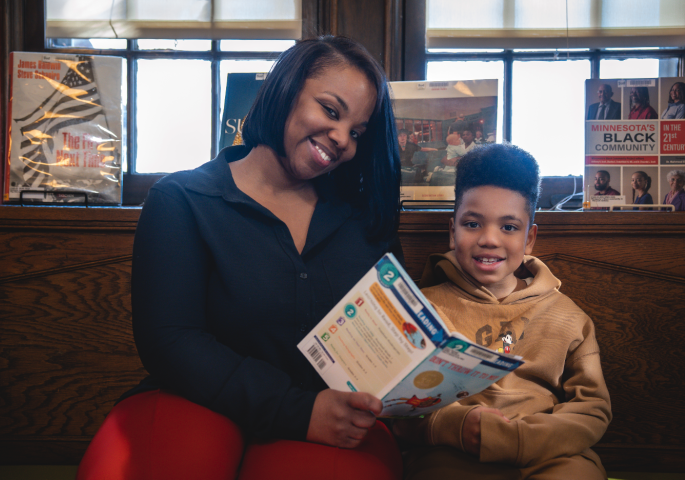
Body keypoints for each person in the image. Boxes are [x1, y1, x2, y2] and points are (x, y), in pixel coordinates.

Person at [76, 36, 404, 480]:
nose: (342, 139)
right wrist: (297, 410)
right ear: (286, 89)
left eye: (357, 132)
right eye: (331, 110)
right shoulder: (182, 199)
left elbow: (395, 334)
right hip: (193, 399)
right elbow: (170, 341)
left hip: (334, 419)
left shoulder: (365, 218)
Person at [392, 143, 612, 479]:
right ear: (452, 232)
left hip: (547, 455)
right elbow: (396, 408)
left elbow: (592, 409)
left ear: (529, 239)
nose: (489, 239)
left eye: (508, 227)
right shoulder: (421, 308)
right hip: (451, 453)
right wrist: (455, 425)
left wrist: (525, 438)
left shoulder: (570, 317)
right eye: (472, 224)